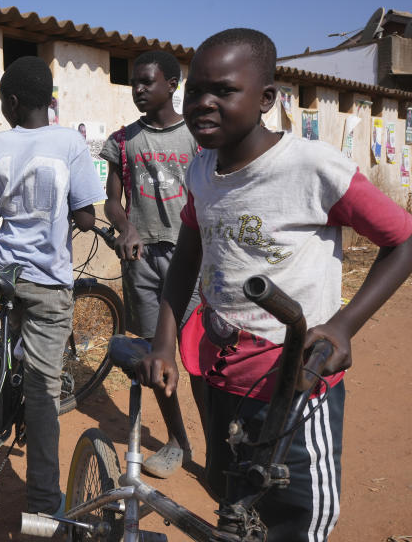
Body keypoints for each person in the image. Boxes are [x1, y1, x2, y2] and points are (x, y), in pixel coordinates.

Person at [136, 28, 412, 541]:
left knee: (295, 518)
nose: (202, 103)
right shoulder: (201, 170)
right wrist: (164, 340)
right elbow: (188, 256)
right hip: (219, 373)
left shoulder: (311, 168)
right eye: (194, 90)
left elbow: (403, 241)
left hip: (294, 383)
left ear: (266, 99)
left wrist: (344, 325)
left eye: (223, 90)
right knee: (234, 500)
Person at [0, 56, 105, 516]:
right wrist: (73, 214)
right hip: (49, 283)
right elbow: (87, 217)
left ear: (12, 103)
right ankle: (44, 503)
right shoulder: (70, 142)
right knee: (43, 393)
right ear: (47, 102)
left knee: (7, 352)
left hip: (5, 274)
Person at [99, 50, 200, 479]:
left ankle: (229, 448)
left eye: (147, 82)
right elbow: (112, 200)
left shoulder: (197, 136)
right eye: (134, 83)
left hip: (191, 259)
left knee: (202, 356)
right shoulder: (123, 141)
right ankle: (178, 440)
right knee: (153, 357)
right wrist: (126, 228)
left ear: (172, 84)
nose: (138, 90)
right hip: (141, 262)